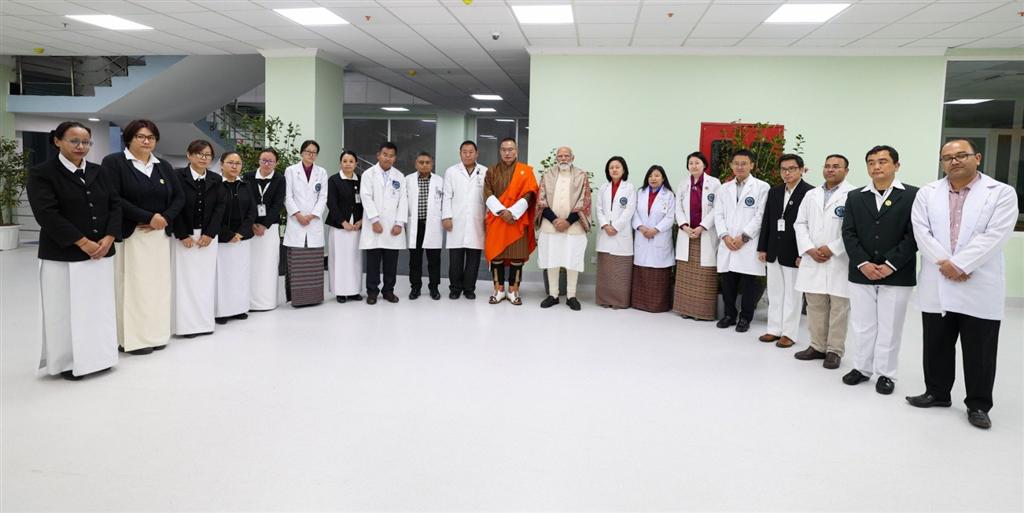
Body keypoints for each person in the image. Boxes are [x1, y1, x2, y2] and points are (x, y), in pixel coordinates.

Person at [906, 139, 1018, 429]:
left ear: (977, 158)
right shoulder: (928, 193)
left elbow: (997, 234)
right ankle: (937, 392)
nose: (954, 161)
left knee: (979, 348)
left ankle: (978, 405)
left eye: (961, 155)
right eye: (947, 157)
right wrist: (946, 263)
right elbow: (921, 231)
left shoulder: (1001, 193)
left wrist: (961, 264)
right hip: (938, 278)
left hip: (979, 281)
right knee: (936, 343)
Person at [27, 121, 120, 379]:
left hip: (102, 252)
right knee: (65, 310)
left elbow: (115, 205)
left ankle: (100, 356)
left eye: (86, 142)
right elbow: (46, 213)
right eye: (74, 141)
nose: (81, 146)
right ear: (57, 141)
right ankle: (68, 362)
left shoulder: (99, 171)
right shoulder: (42, 173)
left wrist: (109, 237)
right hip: (63, 255)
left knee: (99, 308)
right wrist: (82, 242)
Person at [841, 145, 918, 395]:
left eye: (883, 161)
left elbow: (914, 235)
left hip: (897, 273)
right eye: (871, 162)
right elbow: (848, 233)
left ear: (896, 165)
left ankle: (886, 374)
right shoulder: (855, 196)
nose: (876, 166)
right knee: (862, 325)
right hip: (861, 272)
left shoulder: (913, 195)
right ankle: (861, 368)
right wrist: (863, 262)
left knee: (890, 326)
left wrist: (890, 264)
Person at [102, 119, 183, 355]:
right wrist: (148, 217)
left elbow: (179, 197)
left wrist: (165, 218)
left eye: (151, 137)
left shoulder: (163, 165)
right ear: (129, 138)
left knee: (158, 288)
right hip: (133, 235)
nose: (146, 141)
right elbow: (113, 197)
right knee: (133, 288)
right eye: (141, 136)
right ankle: (134, 339)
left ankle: (157, 334)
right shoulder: (114, 162)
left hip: (159, 237)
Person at [793, 154, 856, 370]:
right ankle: (817, 346)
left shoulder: (853, 195)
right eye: (827, 166)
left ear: (846, 171)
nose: (830, 170)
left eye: (836, 166)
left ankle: (834, 351)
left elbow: (854, 229)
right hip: (813, 257)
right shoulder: (811, 194)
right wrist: (809, 248)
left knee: (839, 308)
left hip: (839, 259)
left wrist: (833, 248)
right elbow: (800, 223)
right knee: (815, 305)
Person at [757, 154, 813, 348]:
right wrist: (762, 247)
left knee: (792, 295)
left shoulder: (810, 192)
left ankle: (789, 333)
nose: (787, 173)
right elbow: (767, 220)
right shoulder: (774, 191)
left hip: (794, 251)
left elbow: (811, 227)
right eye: (783, 169)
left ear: (801, 170)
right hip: (774, 249)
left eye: (792, 169)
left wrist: (803, 253)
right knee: (774, 292)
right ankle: (774, 329)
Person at [171, 140, 224, 338]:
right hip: (184, 236)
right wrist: (182, 234)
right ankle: (186, 326)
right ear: (189, 155)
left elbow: (220, 207)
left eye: (208, 155)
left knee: (205, 280)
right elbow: (174, 206)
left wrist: (210, 233)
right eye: (199, 154)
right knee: (185, 281)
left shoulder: (216, 179)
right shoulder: (177, 176)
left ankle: (204, 322)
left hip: (207, 237)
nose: (204, 158)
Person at [714, 149, 769, 333]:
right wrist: (725, 236)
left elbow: (761, 216)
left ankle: (745, 318)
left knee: (749, 284)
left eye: (744, 163)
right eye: (736, 163)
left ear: (752, 165)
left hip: (748, 244)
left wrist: (744, 237)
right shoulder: (723, 188)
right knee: (728, 282)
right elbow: (718, 215)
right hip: (727, 242)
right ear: (731, 165)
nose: (739, 167)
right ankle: (729, 315)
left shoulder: (762, 187)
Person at [484, 137, 538, 306]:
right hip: (497, 220)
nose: (507, 153)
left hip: (517, 220)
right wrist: (502, 212)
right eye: (504, 149)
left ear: (517, 151)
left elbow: (530, 193)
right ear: (500, 151)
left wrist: (513, 213)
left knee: (517, 257)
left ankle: (514, 291)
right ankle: (499, 290)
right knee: (496, 256)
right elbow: (487, 193)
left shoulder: (526, 171)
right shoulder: (491, 171)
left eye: (511, 149)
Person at [536, 146, 591, 311]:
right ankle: (553, 295)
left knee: (572, 260)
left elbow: (584, 201)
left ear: (572, 158)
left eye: (567, 156)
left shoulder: (581, 175)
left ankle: (571, 296)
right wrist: (554, 220)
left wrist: (568, 221)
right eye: (560, 156)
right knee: (551, 259)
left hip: (573, 226)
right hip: (550, 225)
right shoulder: (547, 175)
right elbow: (541, 200)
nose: (563, 158)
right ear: (556, 158)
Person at [672, 151, 720, 320]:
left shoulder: (714, 183)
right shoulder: (683, 183)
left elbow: (717, 208)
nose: (693, 166)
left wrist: (702, 226)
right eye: (690, 163)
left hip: (704, 233)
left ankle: (702, 312)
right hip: (687, 233)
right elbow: (678, 207)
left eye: (697, 163)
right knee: (686, 273)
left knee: (704, 273)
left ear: (704, 165)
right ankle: (685, 309)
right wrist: (684, 226)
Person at [359, 141, 407, 305]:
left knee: (391, 263)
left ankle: (388, 291)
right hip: (374, 226)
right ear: (378, 155)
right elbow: (366, 197)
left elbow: (403, 201)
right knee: (373, 262)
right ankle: (372, 292)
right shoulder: (368, 174)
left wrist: (399, 223)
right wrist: (374, 220)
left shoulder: (399, 176)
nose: (387, 158)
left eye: (391, 156)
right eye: (385, 154)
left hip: (393, 226)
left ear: (395, 158)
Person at [283, 140, 328, 307]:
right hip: (296, 221)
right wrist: (297, 214)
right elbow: (287, 196)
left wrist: (312, 215)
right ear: (301, 152)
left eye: (314, 152)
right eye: (308, 151)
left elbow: (323, 197)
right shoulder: (291, 171)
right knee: (297, 264)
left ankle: (314, 298)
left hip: (313, 222)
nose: (311, 155)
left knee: (313, 264)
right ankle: (298, 299)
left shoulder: (321, 172)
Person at [442, 140, 488, 300]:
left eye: (471, 152)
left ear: (477, 154)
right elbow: (447, 196)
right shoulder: (451, 172)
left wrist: (487, 217)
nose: (468, 155)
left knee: (473, 257)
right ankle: (455, 288)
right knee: (455, 258)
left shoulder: (485, 171)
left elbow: (488, 197)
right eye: (464, 152)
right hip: (456, 219)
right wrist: (446, 216)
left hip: (477, 219)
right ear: (460, 153)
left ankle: (469, 288)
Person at [214, 152, 256, 325]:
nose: (234, 166)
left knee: (240, 275)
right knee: (223, 277)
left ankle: (239, 308)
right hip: (223, 239)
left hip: (242, 238)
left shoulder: (245, 185)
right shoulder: (216, 185)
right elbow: (213, 213)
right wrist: (228, 234)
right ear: (221, 164)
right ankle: (222, 311)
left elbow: (252, 211)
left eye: (238, 163)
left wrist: (241, 233)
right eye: (230, 162)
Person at [244, 148, 286, 311]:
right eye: (264, 160)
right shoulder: (248, 177)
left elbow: (278, 204)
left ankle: (267, 301)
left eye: (270, 161)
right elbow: (246, 201)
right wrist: (253, 223)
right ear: (259, 161)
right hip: (251, 227)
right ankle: (249, 302)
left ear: (276, 163)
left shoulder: (280, 179)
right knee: (251, 265)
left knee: (268, 264)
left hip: (270, 227)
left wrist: (264, 225)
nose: (267, 164)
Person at [630, 165, 675, 313]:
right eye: (650, 176)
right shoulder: (640, 192)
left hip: (659, 236)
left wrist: (655, 230)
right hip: (642, 235)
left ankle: (658, 305)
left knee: (658, 271)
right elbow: (634, 213)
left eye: (656, 175)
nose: (653, 178)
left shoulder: (669, 195)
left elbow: (670, 217)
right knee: (642, 269)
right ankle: (640, 303)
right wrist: (641, 227)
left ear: (663, 178)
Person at [595, 156, 636, 309]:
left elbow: (629, 210)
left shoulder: (629, 188)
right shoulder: (603, 188)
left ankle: (619, 301)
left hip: (621, 233)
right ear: (608, 171)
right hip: (605, 233)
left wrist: (616, 226)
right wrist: (605, 225)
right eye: (611, 167)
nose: (614, 170)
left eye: (617, 167)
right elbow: (598, 209)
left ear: (623, 170)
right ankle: (604, 299)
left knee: (620, 270)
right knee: (606, 269)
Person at [325, 150, 364, 303]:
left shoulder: (360, 179)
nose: (348, 164)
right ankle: (340, 291)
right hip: (339, 227)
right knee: (339, 259)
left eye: (351, 161)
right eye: (345, 161)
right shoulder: (334, 180)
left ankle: (354, 291)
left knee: (355, 258)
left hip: (356, 226)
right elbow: (331, 203)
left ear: (356, 164)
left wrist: (361, 220)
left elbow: (365, 201)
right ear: (340, 163)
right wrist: (343, 222)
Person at [405, 151, 444, 300]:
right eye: (421, 162)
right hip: (415, 225)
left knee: (434, 259)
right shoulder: (408, 180)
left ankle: (434, 288)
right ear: (416, 164)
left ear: (432, 164)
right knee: (415, 260)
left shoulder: (439, 181)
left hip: (433, 225)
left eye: (427, 162)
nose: (424, 165)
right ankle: (415, 288)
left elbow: (445, 202)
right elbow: (403, 202)